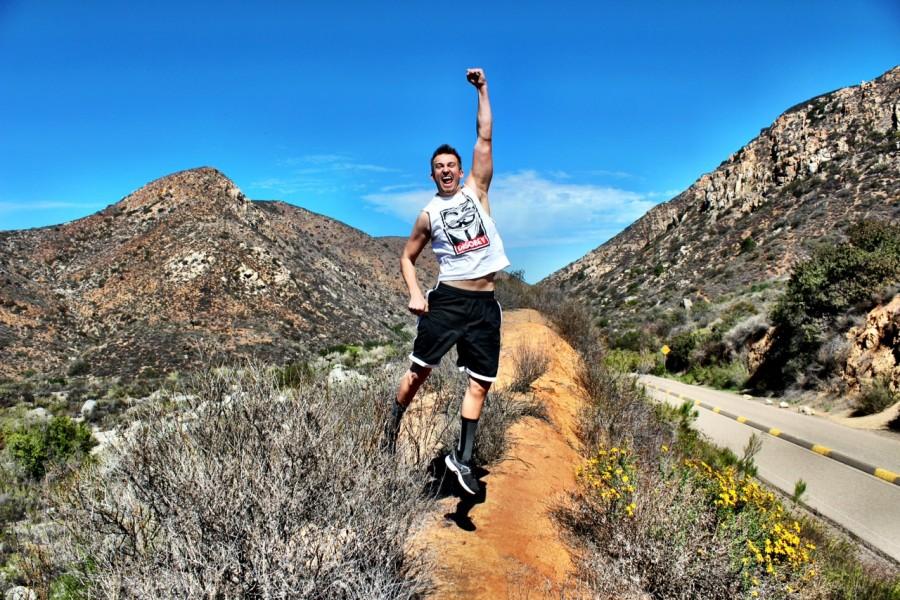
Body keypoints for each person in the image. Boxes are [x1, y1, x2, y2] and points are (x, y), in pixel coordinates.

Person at [384, 68, 510, 496]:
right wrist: (416, 292)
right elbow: (407, 257)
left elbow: (485, 136)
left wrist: (482, 90)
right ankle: (387, 435)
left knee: (481, 383)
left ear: (462, 171)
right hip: (449, 300)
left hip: (485, 306)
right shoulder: (428, 213)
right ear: (432, 175)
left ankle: (463, 459)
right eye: (438, 167)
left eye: (451, 165)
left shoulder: (478, 189)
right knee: (419, 374)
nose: (446, 171)